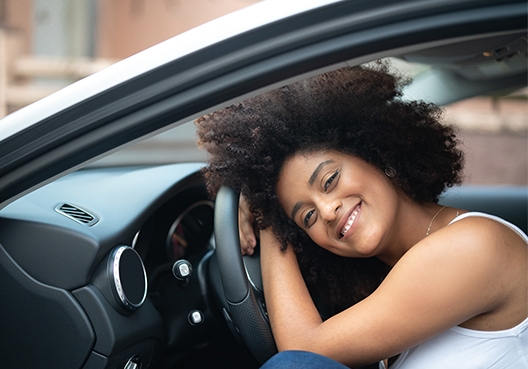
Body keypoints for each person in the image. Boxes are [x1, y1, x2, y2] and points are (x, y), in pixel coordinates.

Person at [195, 62, 528, 368]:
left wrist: (267, 217)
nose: (326, 211)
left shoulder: (471, 246)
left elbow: (301, 355)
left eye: (330, 180)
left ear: (376, 153)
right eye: (306, 217)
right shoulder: (395, 279)